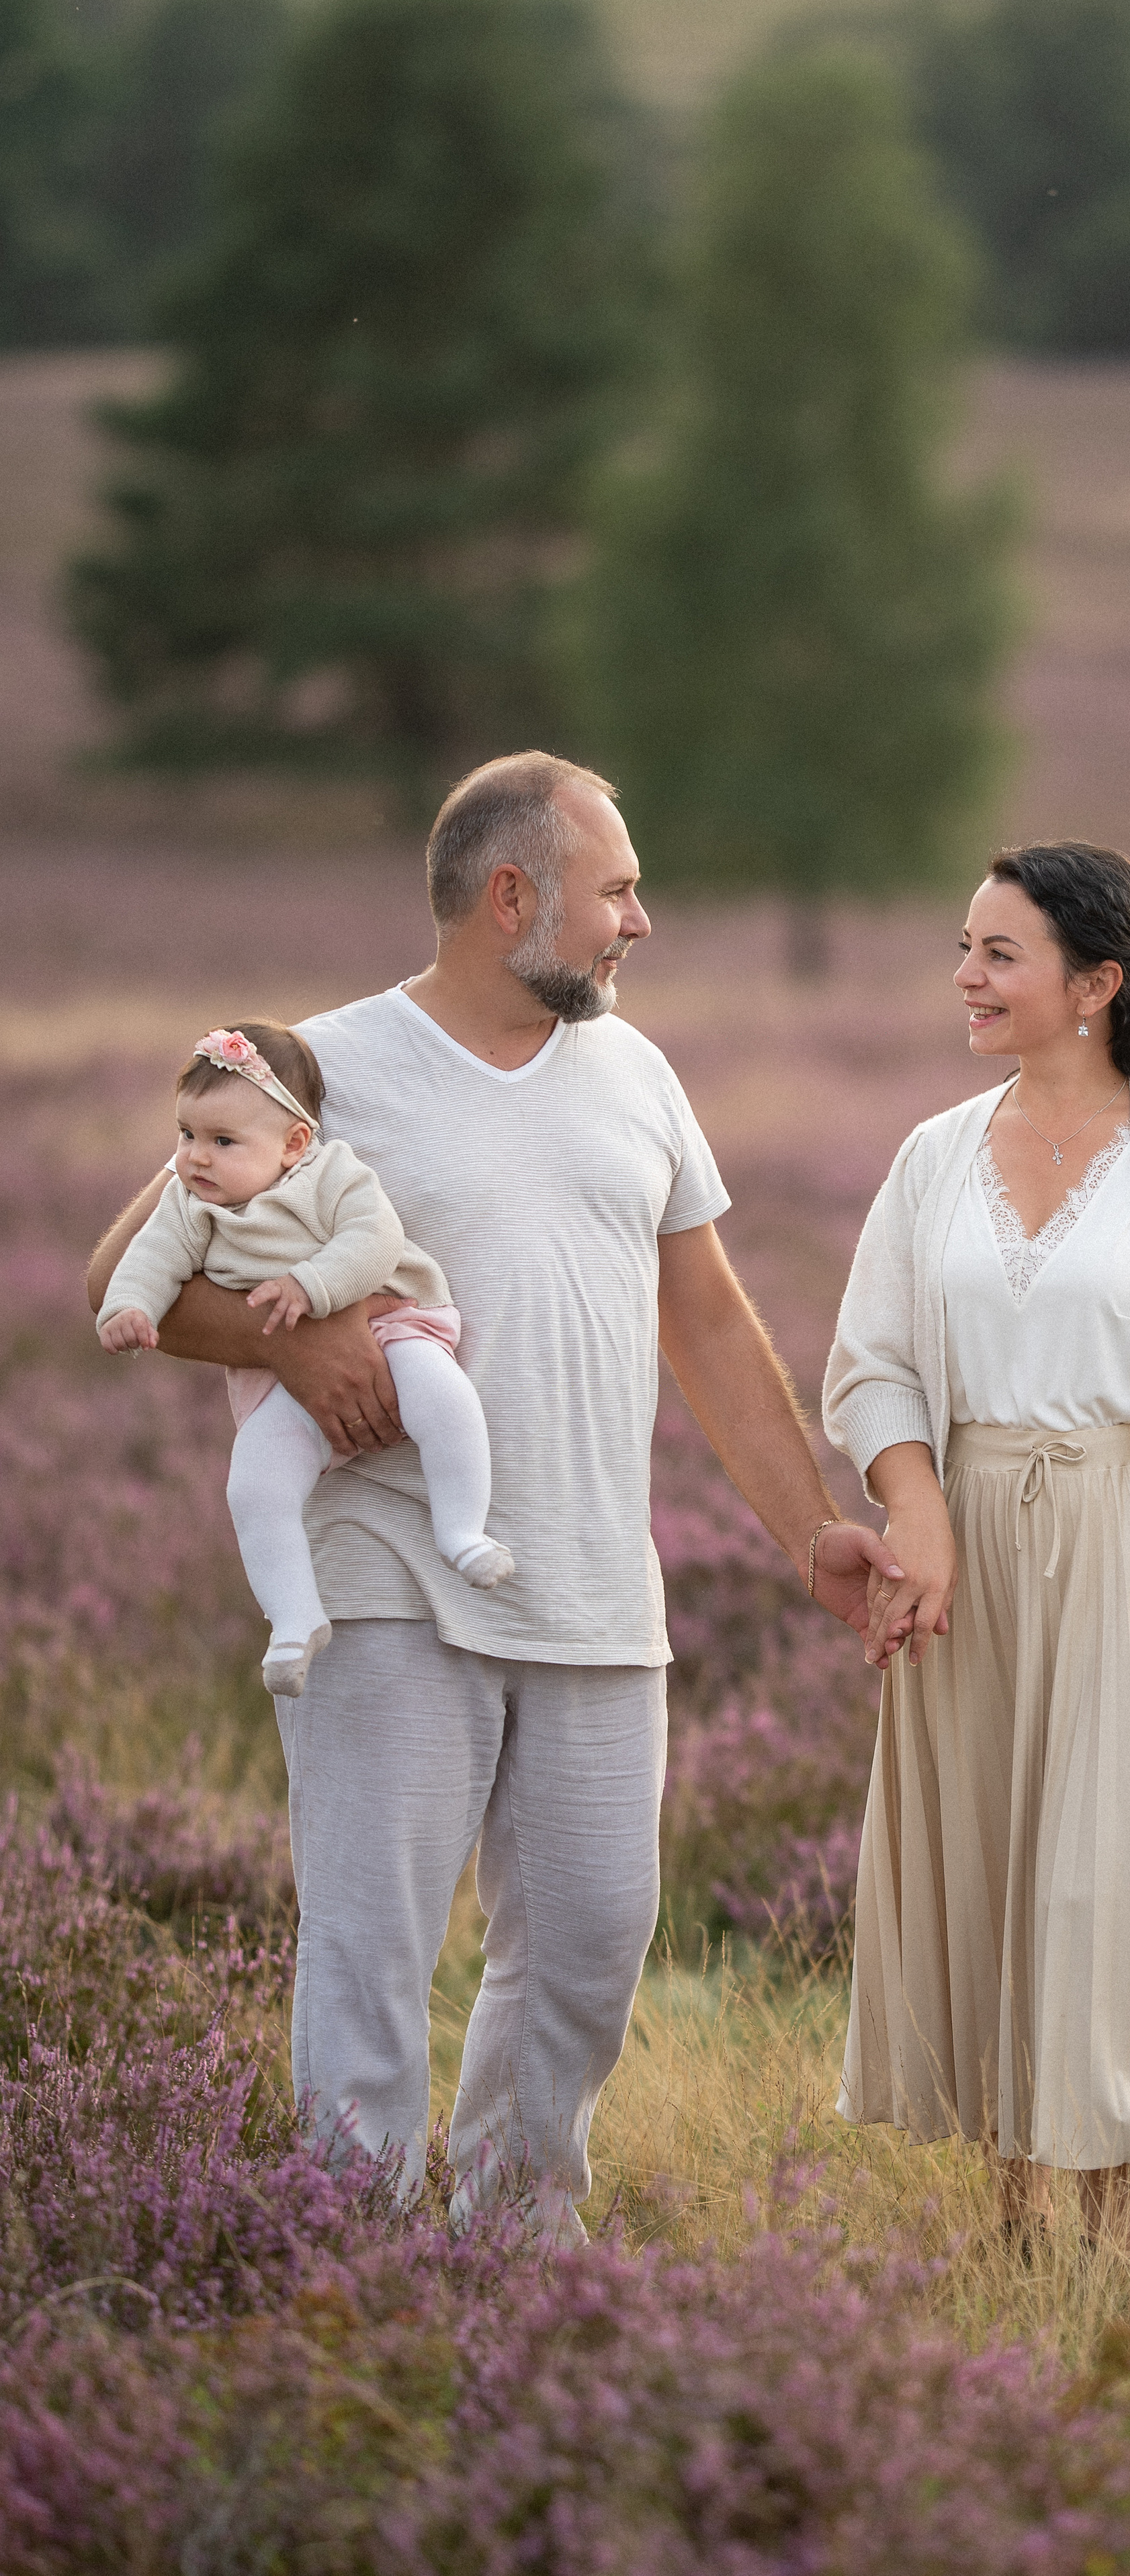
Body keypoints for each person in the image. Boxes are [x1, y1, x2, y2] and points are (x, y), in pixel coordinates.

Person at [87, 752, 898, 2245]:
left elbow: (710, 1320)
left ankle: (515, 2247)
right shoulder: (319, 1072)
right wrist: (306, 1338)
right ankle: (353, 2256)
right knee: (372, 1953)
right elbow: (122, 1275)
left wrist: (811, 1533)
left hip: (592, 1583)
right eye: (617, 890)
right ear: (512, 897)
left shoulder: (637, 1073)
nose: (640, 921)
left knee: (589, 1942)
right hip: (388, 1571)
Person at [822, 841, 1130, 2253]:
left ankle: (1124, 2251)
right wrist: (915, 1506)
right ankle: (1017, 2236)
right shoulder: (933, 1156)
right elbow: (870, 1369)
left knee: (1115, 1892)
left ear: (1096, 982)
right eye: (963, 948)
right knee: (995, 1874)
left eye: (1000, 953)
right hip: (971, 1556)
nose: (966, 976)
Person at [97, 1021, 513, 1699]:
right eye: (186, 1133)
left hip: (392, 1325)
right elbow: (151, 1257)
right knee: (254, 1486)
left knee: (444, 1397)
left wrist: (311, 1285)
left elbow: (375, 1237)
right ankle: (293, 1620)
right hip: (284, 1377)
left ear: (293, 1143)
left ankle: (461, 1529)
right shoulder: (189, 1204)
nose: (196, 1158)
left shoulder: (330, 1173)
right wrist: (130, 1306)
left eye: (222, 1141)